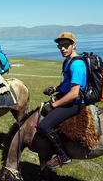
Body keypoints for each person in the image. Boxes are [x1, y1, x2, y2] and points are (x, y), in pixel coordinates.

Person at [37, 32, 87, 169]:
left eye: (66, 45)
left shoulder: (76, 65)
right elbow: (67, 84)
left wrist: (55, 105)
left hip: (75, 103)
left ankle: (63, 155)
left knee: (43, 126)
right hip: (67, 98)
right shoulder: (67, 61)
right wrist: (54, 88)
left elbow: (73, 93)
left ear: (74, 45)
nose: (62, 48)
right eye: (60, 46)